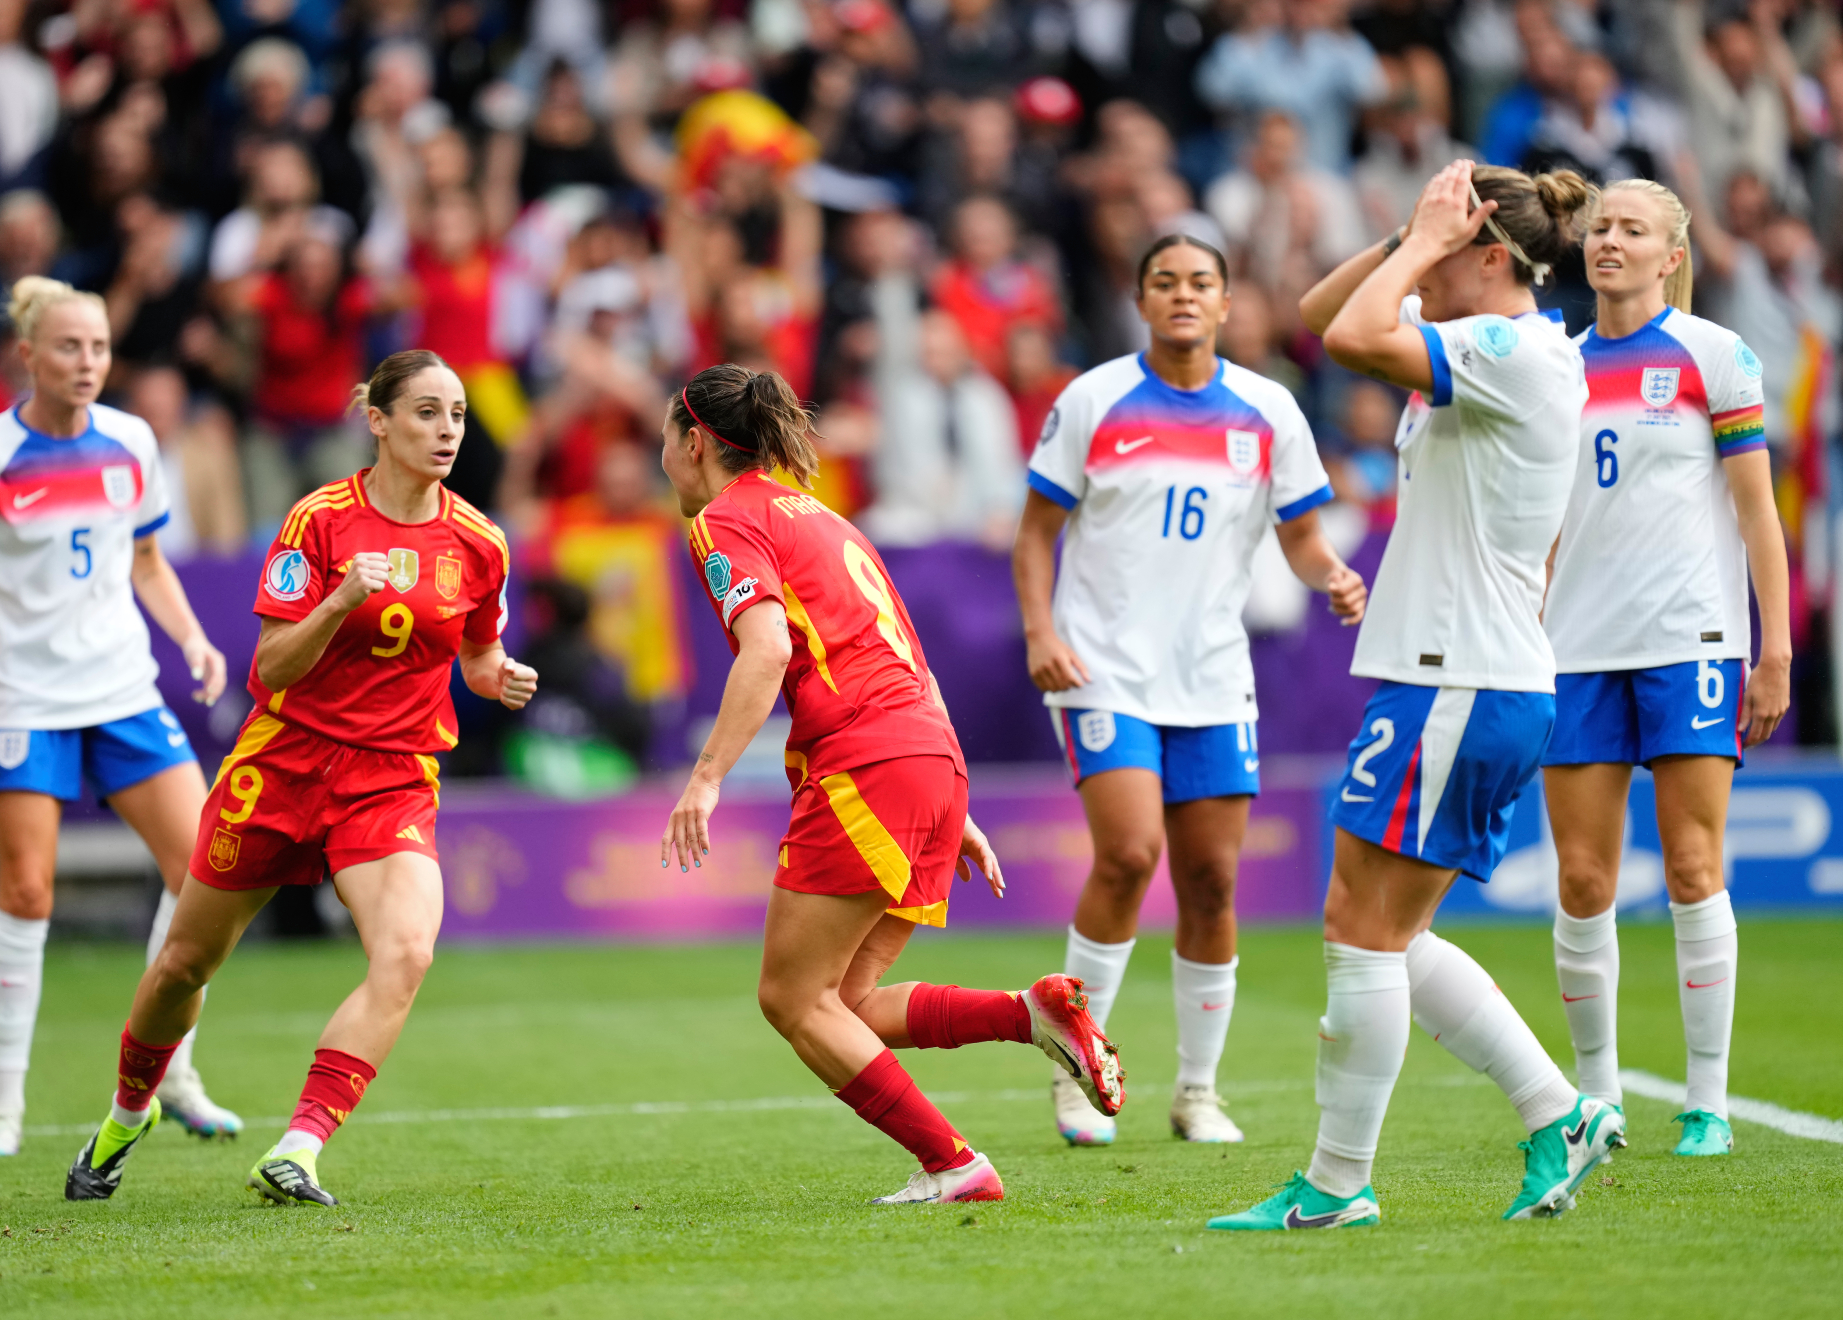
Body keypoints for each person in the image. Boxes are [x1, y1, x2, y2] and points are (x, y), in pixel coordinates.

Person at [1213, 160, 1622, 1232]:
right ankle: (1559, 1112)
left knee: (1359, 931)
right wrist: (1413, 235)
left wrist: (1422, 246)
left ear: (1488, 257)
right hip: (1461, 676)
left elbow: (1352, 335)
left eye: (1444, 248)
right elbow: (1321, 318)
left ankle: (1338, 1184)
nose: (1419, 268)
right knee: (1389, 934)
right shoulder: (1493, 343)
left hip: (1462, 677)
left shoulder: (1510, 350)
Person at [62, 350, 538, 1206]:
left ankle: (299, 1147)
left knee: (407, 950)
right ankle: (128, 1113)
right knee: (183, 965)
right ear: (378, 421)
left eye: (459, 415)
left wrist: (496, 674)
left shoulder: (479, 541)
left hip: (391, 775)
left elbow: (476, 650)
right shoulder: (319, 522)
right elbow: (271, 667)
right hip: (282, 762)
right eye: (427, 412)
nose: (447, 432)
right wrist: (339, 601)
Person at [657, 363, 1124, 1206]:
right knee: (845, 1003)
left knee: (793, 999)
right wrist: (952, 800)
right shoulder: (826, 519)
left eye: (664, 439)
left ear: (694, 442)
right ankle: (1030, 1014)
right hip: (929, 758)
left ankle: (954, 1164)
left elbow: (767, 649)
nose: (662, 457)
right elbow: (910, 661)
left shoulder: (725, 519)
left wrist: (705, 777)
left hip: (867, 762)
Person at [1013, 234, 1365, 1148]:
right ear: (1141, 302)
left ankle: (1197, 1092)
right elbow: (1035, 532)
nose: (1183, 295)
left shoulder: (1269, 409)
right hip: (1103, 669)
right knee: (1129, 855)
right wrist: (1042, 631)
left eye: (1200, 282)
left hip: (1211, 677)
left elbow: (1301, 536)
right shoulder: (1093, 400)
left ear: (1225, 303)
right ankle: (1076, 1074)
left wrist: (1331, 573)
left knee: (1210, 881)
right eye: (1164, 281)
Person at [0, 276, 240, 1157]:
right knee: (27, 893)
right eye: (69, 346)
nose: (88, 361)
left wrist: (193, 639)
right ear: (28, 355)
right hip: (26, 701)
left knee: (205, 872)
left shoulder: (131, 440)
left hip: (124, 691)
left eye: (98, 346)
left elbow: (147, 562)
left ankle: (173, 1074)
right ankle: (3, 1111)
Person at [1542, 179, 1790, 1160]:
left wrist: (1773, 649)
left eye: (1632, 229)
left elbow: (1758, 513)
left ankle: (1707, 1103)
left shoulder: (1714, 355)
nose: (1609, 241)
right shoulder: (1555, 366)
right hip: (1575, 650)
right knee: (1582, 876)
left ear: (1671, 255)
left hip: (1691, 641)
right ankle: (1597, 1097)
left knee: (1692, 864)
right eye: (1600, 227)